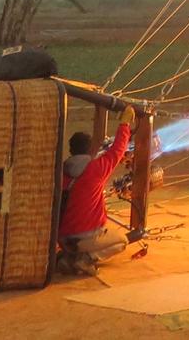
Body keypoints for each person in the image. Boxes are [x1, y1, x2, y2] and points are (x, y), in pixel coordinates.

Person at [57, 109, 132, 276]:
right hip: (85, 236)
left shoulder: (61, 170)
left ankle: (68, 258)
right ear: (90, 148)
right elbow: (118, 150)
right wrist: (125, 124)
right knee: (121, 241)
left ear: (71, 150)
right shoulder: (95, 169)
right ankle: (86, 259)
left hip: (61, 237)